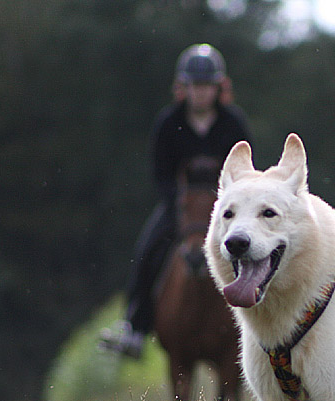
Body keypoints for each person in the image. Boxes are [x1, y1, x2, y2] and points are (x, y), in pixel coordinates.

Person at [99, 43, 251, 358]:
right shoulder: (168, 123)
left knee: (255, 251)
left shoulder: (233, 123)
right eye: (195, 85)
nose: (201, 92)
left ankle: (263, 324)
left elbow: (245, 169)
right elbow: (160, 172)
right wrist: (179, 201)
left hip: (226, 211)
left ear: (218, 87)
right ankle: (135, 327)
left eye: (206, 85)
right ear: (184, 87)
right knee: (146, 252)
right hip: (181, 208)